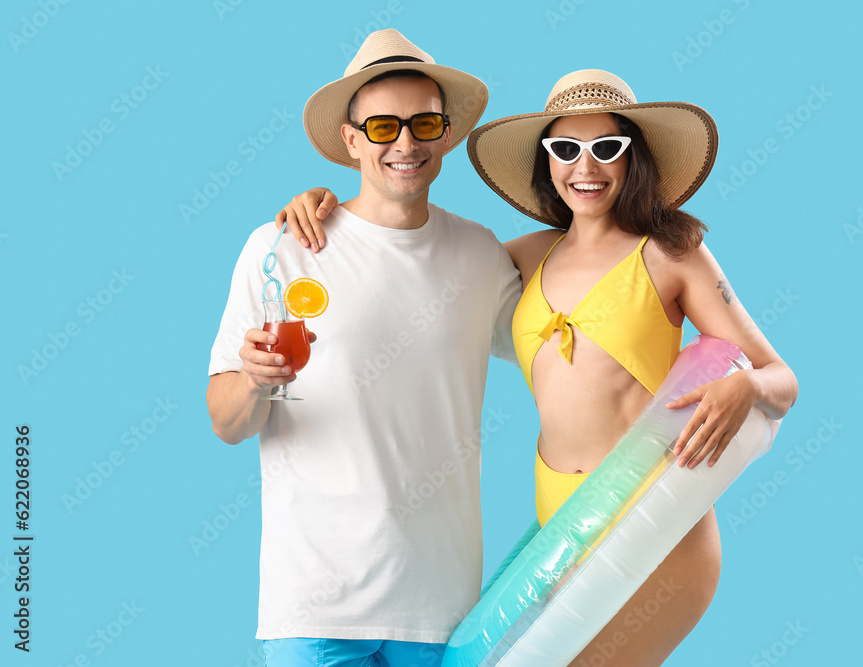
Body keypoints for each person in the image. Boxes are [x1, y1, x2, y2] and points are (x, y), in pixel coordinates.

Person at [278, 69, 798, 665]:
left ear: (632, 157)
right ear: (547, 161)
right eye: (566, 149)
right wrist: (331, 209)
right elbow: (412, 266)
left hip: (653, 518)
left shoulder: (670, 252)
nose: (586, 166)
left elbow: (782, 379)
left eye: (607, 148)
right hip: (563, 521)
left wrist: (746, 385)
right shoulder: (527, 255)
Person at [206, 29, 521, 667]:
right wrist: (254, 379)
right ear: (351, 141)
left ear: (444, 134)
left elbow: (559, 348)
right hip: (314, 606)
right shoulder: (282, 249)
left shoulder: (481, 254)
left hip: (440, 610)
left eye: (424, 123)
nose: (405, 143)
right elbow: (225, 422)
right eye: (382, 127)